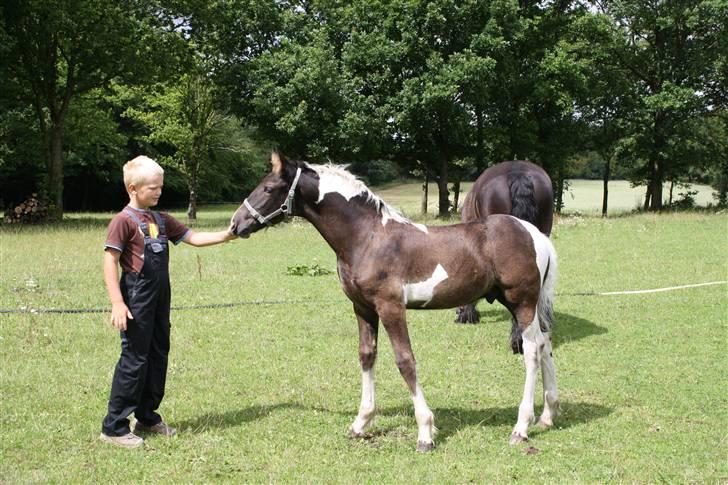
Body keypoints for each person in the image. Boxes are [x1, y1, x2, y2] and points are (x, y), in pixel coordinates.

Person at [100, 155, 236, 448]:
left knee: (158, 354)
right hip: (136, 300)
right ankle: (114, 427)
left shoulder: (161, 220)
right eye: (152, 188)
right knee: (134, 359)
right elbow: (110, 261)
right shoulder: (123, 222)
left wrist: (229, 234)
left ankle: (147, 417)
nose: (159, 192)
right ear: (133, 189)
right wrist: (117, 302)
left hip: (160, 300)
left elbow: (195, 238)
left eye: (160, 187)